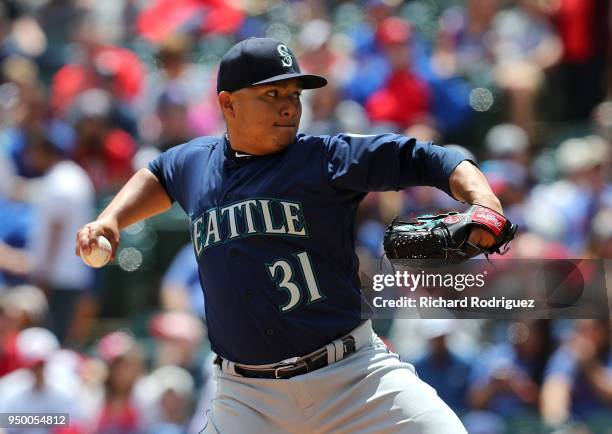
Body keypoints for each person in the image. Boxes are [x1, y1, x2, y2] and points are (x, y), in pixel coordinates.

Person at [76, 37, 506, 434]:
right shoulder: (195, 163)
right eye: (271, 94)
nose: (287, 106)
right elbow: (159, 175)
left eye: (293, 95)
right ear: (227, 104)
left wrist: (484, 200)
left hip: (354, 379)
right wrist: (111, 220)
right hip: (247, 401)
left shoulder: (323, 158)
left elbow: (426, 156)